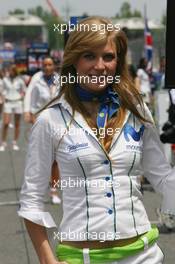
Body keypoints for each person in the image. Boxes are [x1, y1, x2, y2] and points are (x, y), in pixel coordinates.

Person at [18, 16, 175, 264]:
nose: (100, 66)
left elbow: (163, 177)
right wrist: (48, 261)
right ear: (73, 60)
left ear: (118, 60)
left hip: (144, 256)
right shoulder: (50, 120)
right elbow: (31, 201)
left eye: (108, 57)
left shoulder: (137, 109)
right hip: (80, 257)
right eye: (89, 56)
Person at [23, 56, 61, 204]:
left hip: (56, 120)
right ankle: (34, 191)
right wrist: (27, 111)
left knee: (55, 160)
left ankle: (54, 191)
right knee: (38, 158)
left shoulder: (59, 79)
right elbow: (28, 95)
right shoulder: (36, 78)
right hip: (38, 119)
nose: (47, 67)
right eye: (44, 64)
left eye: (49, 64)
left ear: (53, 66)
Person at [0, 64, 26, 151]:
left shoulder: (20, 80)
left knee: (17, 124)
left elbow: (24, 90)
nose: (10, 71)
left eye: (12, 70)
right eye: (9, 70)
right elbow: (2, 89)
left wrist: (21, 96)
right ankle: (3, 142)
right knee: (6, 123)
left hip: (18, 102)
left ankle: (15, 142)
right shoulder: (5, 80)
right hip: (8, 102)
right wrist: (3, 97)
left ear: (15, 71)